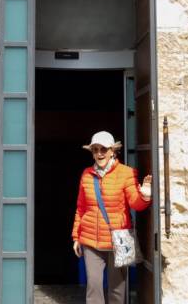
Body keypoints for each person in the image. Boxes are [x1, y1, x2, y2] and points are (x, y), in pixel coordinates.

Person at [71, 130, 152, 304]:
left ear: (112, 151)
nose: (99, 153)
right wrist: (76, 236)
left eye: (103, 149)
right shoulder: (86, 174)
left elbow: (135, 204)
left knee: (117, 289)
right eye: (95, 150)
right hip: (91, 241)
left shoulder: (126, 173)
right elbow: (81, 207)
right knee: (93, 286)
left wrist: (145, 194)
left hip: (118, 241)